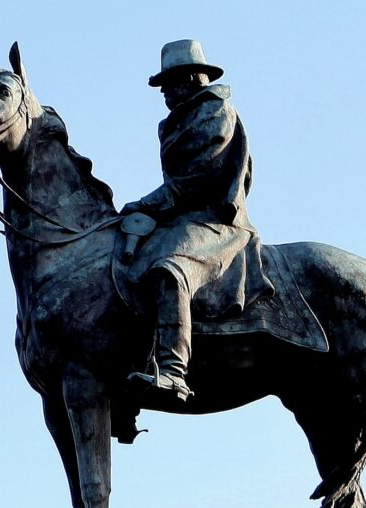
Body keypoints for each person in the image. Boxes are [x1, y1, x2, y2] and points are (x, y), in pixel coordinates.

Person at [119, 39, 255, 405]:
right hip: (182, 217)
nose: (164, 91)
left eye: (171, 82)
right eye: (162, 84)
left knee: (168, 270)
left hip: (215, 220)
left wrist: (147, 204)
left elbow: (200, 179)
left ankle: (174, 371)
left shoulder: (215, 113)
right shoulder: (174, 122)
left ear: (194, 78)